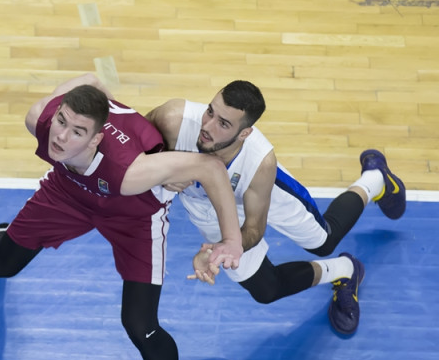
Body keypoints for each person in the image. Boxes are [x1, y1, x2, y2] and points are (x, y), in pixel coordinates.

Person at [0, 73, 246, 360]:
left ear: (96, 138)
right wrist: (81, 108)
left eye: (77, 131)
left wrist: (232, 240)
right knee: (2, 265)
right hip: (68, 194)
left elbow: (210, 167)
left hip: (133, 215)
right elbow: (92, 80)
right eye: (62, 121)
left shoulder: (128, 171)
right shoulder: (40, 120)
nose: (60, 136)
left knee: (140, 324)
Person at [146, 80, 406, 336]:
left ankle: (375, 178)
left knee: (323, 242)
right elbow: (129, 154)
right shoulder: (172, 120)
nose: (207, 126)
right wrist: (160, 172)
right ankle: (346, 270)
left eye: (223, 124)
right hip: (205, 206)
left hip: (256, 191)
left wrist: (227, 247)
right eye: (210, 111)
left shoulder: (260, 163)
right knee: (265, 290)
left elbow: (253, 228)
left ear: (245, 134)